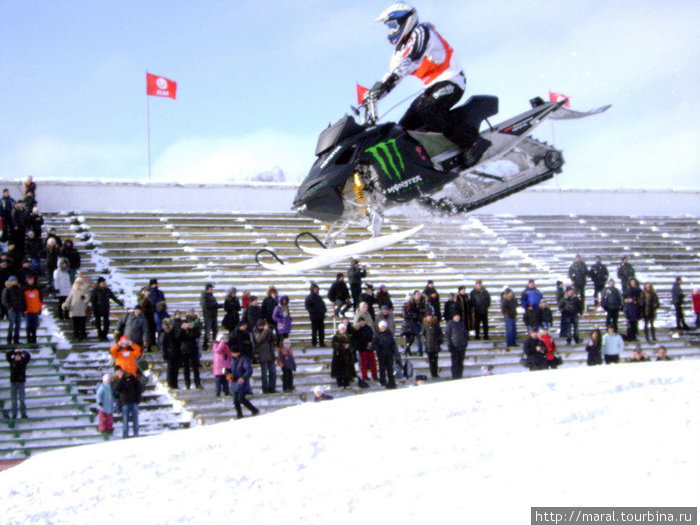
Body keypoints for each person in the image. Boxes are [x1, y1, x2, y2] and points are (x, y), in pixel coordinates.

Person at [370, 4, 488, 166]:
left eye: (392, 25)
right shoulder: (400, 50)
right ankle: (427, 164)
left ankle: (470, 142)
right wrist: (374, 95)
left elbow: (412, 58)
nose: (391, 31)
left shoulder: (422, 32)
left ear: (405, 20)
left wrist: (389, 82)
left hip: (451, 80)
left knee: (429, 109)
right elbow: (392, 73)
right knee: (402, 129)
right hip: (432, 88)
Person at [228, 345, 259, 419]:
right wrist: (228, 372)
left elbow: (249, 370)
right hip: (234, 382)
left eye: (233, 353)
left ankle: (254, 410)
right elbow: (231, 370)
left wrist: (243, 377)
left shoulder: (244, 359)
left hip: (242, 383)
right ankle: (239, 415)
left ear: (237, 353)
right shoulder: (233, 360)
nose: (232, 354)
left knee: (241, 398)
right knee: (235, 401)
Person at [90, 277, 123, 341]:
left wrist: (120, 303)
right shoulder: (95, 290)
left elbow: (113, 297)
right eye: (103, 283)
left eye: (105, 283)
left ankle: (104, 335)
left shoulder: (107, 290)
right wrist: (94, 309)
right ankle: (100, 335)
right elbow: (93, 300)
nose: (104, 284)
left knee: (106, 323)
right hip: (97, 309)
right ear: (99, 283)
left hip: (105, 308)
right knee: (98, 323)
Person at [113, 368, 142, 438]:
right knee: (125, 421)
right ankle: (125, 435)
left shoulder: (133, 379)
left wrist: (137, 399)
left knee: (135, 420)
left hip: (133, 402)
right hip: (124, 403)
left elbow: (139, 389)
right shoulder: (118, 380)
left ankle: (136, 434)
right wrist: (120, 378)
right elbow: (116, 388)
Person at [372, 319, 399, 389]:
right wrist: (378, 350)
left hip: (389, 353)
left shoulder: (389, 333)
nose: (383, 327)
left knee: (390, 368)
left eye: (384, 326)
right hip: (381, 353)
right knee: (382, 368)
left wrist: (394, 351)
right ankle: (382, 381)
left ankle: (391, 380)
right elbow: (374, 343)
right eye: (381, 326)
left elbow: (393, 343)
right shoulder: (377, 334)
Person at [178, 314, 202, 390]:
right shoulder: (182, 331)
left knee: (195, 368)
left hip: (193, 350)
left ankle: (197, 383)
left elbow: (197, 334)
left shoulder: (193, 330)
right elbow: (179, 337)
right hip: (185, 351)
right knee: (186, 369)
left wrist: (193, 328)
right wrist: (182, 329)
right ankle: (187, 384)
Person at [6, 348, 31, 419]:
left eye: (19, 356)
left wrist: (23, 351)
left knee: (22, 399)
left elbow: (28, 356)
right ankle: (14, 414)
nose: (17, 357)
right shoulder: (12, 362)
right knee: (13, 399)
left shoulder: (23, 362)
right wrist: (14, 351)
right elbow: (8, 355)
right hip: (13, 382)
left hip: (21, 382)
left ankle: (23, 413)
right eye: (16, 355)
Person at [254, 319, 277, 394]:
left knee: (273, 373)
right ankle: (265, 389)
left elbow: (274, 338)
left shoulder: (268, 330)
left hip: (271, 355)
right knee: (264, 374)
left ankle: (272, 388)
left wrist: (270, 331)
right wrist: (266, 331)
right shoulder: (256, 331)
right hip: (262, 355)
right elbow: (259, 339)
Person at [331, 323, 356, 388]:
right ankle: (340, 383)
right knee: (339, 370)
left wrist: (349, 346)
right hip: (338, 356)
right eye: (341, 328)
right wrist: (343, 346)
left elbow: (353, 344)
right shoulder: (336, 337)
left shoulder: (349, 336)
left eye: (343, 328)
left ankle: (346, 383)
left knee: (347, 369)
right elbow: (334, 345)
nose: (342, 330)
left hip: (347, 355)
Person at [2, 276, 25, 344]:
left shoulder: (19, 289)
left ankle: (16, 339)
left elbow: (22, 299)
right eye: (13, 280)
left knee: (18, 325)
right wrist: (9, 307)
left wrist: (22, 307)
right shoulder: (7, 289)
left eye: (15, 280)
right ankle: (9, 339)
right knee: (11, 325)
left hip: (19, 309)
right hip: (12, 309)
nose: (15, 281)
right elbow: (4, 300)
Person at [158, 317, 180, 389]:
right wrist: (164, 354)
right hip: (169, 354)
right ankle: (170, 383)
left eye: (172, 324)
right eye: (169, 324)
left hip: (176, 353)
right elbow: (163, 345)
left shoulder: (175, 332)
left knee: (176, 370)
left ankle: (175, 384)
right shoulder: (165, 334)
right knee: (170, 370)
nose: (171, 325)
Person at [353, 317, 376, 382]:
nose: (362, 322)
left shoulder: (369, 328)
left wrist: (371, 342)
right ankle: (364, 376)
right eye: (360, 321)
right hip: (362, 348)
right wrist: (366, 343)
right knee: (363, 364)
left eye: (363, 321)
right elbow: (357, 339)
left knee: (373, 363)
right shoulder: (357, 330)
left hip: (370, 348)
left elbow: (372, 337)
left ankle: (375, 376)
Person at [445, 312, 468, 379]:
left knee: (460, 362)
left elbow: (465, 334)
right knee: (455, 362)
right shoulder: (450, 324)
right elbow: (448, 336)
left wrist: (465, 342)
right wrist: (450, 345)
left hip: (462, 346)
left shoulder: (462, 324)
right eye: (456, 316)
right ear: (453, 317)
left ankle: (460, 375)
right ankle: (455, 376)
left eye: (458, 316)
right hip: (454, 346)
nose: (457, 317)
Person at [305, 283, 327, 347]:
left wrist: (323, 311)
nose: (315, 290)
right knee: (314, 331)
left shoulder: (319, 297)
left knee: (321, 331)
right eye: (314, 289)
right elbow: (308, 307)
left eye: (316, 289)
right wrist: (315, 312)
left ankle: (321, 342)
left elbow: (323, 306)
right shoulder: (309, 298)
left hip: (321, 317)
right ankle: (314, 343)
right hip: (314, 317)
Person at [200, 283, 221, 350]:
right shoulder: (204, 296)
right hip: (208, 317)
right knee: (208, 332)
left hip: (214, 316)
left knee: (215, 331)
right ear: (208, 288)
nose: (212, 289)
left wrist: (222, 305)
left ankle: (215, 345)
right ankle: (205, 345)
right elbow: (206, 306)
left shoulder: (212, 297)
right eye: (211, 288)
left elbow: (215, 305)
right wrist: (215, 306)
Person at [421, 314, 443, 378]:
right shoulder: (424, 325)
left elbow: (440, 334)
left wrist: (439, 341)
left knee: (435, 360)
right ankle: (432, 373)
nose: (429, 318)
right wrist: (425, 342)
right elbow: (422, 335)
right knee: (431, 361)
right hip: (428, 346)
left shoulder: (436, 325)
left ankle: (435, 373)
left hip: (435, 346)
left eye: (430, 316)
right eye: (428, 316)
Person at [23, 274, 43, 344]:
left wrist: (40, 308)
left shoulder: (37, 289)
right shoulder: (24, 289)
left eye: (32, 280)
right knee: (28, 326)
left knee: (34, 326)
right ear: (27, 280)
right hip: (27, 310)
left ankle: (34, 339)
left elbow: (40, 300)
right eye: (30, 280)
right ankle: (28, 339)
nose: (31, 281)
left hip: (35, 310)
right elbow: (22, 300)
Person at [96, 373, 115, 439]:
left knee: (109, 419)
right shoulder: (102, 387)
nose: (109, 381)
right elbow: (99, 395)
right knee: (103, 419)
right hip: (103, 407)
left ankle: (109, 429)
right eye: (108, 380)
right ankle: (103, 430)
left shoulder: (111, 387)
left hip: (109, 406)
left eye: (109, 380)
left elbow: (112, 396)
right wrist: (99, 402)